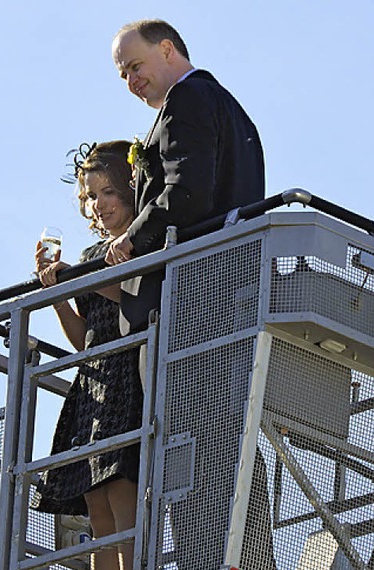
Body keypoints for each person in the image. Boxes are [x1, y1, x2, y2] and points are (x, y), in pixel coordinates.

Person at [30, 141, 143, 570]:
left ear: (132, 193)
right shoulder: (95, 251)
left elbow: (140, 307)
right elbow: (84, 339)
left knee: (120, 491)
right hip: (94, 378)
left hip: (126, 374)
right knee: (95, 501)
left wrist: (93, 279)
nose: (101, 204)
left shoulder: (140, 241)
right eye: (93, 196)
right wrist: (58, 291)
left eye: (110, 192)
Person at [106, 18, 265, 337]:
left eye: (135, 66)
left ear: (166, 49)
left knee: (172, 387)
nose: (131, 81)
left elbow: (186, 194)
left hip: (187, 298)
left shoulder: (186, 97)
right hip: (228, 288)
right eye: (124, 75)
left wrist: (132, 238)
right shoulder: (231, 110)